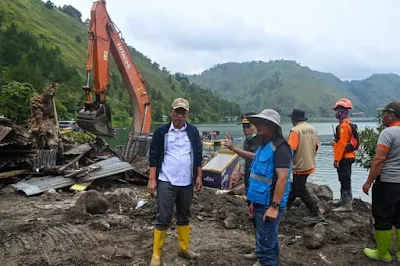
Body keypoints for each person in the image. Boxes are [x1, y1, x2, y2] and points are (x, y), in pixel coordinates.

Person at [147, 98, 203, 266]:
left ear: (187, 114)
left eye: (183, 112)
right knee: (163, 216)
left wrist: (199, 176)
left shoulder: (192, 132)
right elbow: (154, 156)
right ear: (172, 112)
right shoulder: (161, 132)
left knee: (184, 215)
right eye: (177, 111)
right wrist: (151, 180)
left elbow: (198, 155)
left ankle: (184, 248)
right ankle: (156, 253)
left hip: (186, 182)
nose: (180, 115)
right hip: (166, 180)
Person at [246, 109, 293, 266]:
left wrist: (274, 206)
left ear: (272, 126)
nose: (258, 125)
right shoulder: (264, 146)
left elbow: (283, 178)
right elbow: (258, 177)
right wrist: (253, 202)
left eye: (263, 122)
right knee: (268, 245)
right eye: (257, 122)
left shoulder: (281, 148)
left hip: (269, 204)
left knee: (265, 250)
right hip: (260, 202)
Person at [362, 101, 400, 262]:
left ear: (391, 114)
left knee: (383, 217)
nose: (382, 116)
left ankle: (383, 253)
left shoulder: (388, 133)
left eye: (384, 113)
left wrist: (368, 181)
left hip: (387, 183)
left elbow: (379, 160)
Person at [224, 112, 263, 260]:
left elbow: (254, 156)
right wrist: (237, 170)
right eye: (244, 127)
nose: (245, 129)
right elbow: (246, 158)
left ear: (256, 126)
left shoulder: (261, 140)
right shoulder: (248, 141)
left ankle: (263, 253)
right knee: (254, 218)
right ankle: (259, 249)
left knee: (260, 220)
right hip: (250, 184)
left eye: (248, 126)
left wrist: (233, 148)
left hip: (260, 186)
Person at [286, 109, 324, 222]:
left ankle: (316, 212)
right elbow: (316, 146)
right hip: (309, 163)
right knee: (297, 187)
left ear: (294, 119)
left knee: (300, 189)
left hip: (300, 165)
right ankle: (285, 207)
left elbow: (290, 150)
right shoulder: (312, 129)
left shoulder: (295, 131)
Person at [331, 98, 357, 212]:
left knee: (345, 180)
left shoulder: (343, 126)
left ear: (342, 111)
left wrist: (337, 159)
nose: (336, 112)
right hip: (348, 156)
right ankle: (343, 200)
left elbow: (342, 144)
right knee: (343, 179)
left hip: (345, 157)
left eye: (337, 110)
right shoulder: (348, 123)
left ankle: (347, 205)